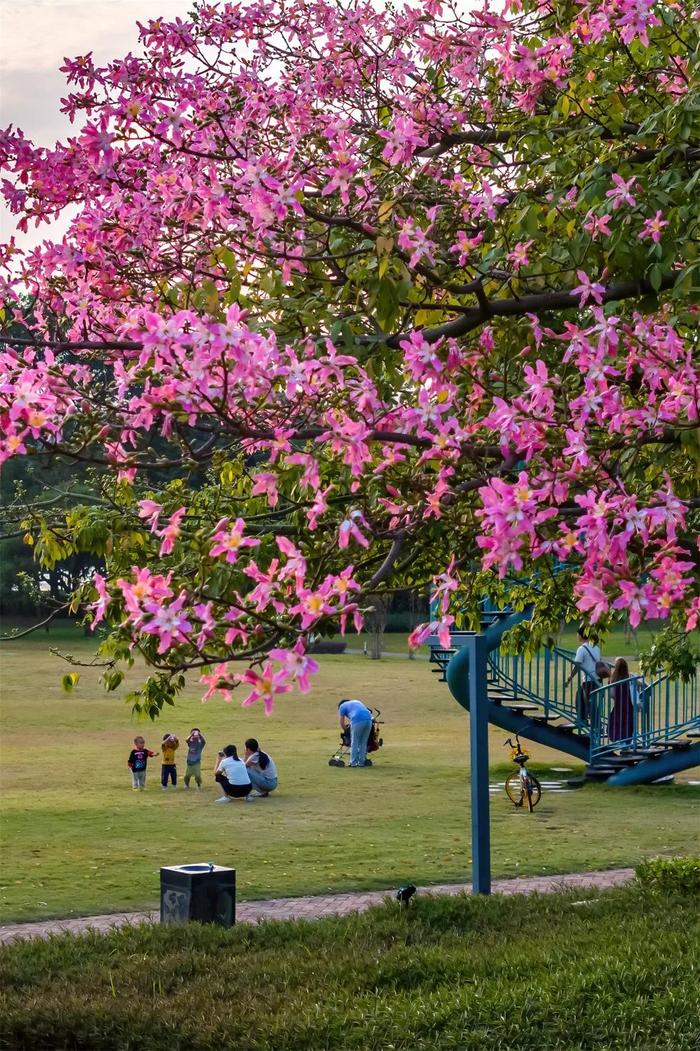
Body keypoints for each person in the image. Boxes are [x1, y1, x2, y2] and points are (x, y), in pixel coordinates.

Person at [564, 626, 603, 721]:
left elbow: (577, 666)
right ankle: (583, 719)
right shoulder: (595, 647)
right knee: (580, 697)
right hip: (597, 678)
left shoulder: (581, 649)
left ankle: (595, 725)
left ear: (581, 635)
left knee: (589, 702)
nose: (576, 636)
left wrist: (569, 677)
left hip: (588, 680)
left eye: (577, 634)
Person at [338, 698, 373, 768]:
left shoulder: (342, 706)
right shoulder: (357, 702)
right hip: (369, 720)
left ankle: (353, 763)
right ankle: (361, 762)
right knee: (363, 742)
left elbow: (341, 722)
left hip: (357, 720)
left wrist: (346, 730)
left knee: (354, 742)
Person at [608, 657, 635, 743]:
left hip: (619, 705)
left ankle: (618, 740)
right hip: (629, 705)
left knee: (617, 722)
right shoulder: (630, 677)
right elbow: (641, 684)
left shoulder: (614, 679)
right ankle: (627, 742)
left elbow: (612, 695)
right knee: (628, 723)